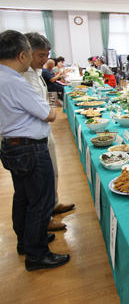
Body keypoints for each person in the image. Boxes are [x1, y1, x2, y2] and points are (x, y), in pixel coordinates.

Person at [0, 29, 70, 271]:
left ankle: (27, 242)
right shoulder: (15, 81)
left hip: (13, 145)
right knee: (40, 201)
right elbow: (48, 113)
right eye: (33, 54)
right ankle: (37, 254)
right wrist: (50, 110)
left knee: (24, 198)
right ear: (22, 55)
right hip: (28, 148)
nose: (34, 60)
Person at [22, 33, 75, 232]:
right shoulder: (21, 76)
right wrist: (50, 112)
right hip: (31, 136)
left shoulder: (37, 72)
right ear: (26, 54)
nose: (45, 60)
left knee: (52, 171)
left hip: (43, 132)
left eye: (47, 54)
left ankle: (53, 203)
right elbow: (46, 113)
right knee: (39, 181)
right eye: (41, 55)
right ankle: (45, 218)